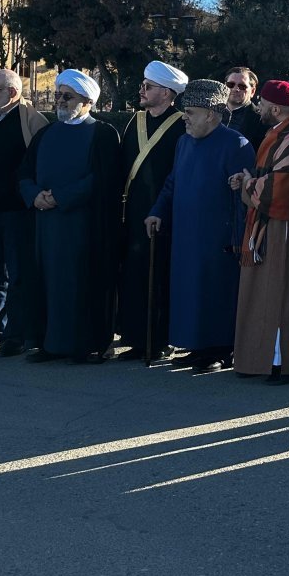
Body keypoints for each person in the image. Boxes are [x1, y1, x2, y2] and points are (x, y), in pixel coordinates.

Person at [146, 79, 252, 373]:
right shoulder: (183, 142)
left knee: (215, 291)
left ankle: (220, 350)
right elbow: (172, 183)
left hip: (218, 235)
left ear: (211, 113)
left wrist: (237, 235)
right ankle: (197, 346)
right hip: (186, 232)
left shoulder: (236, 144)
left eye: (190, 112)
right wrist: (157, 211)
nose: (185, 118)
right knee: (190, 290)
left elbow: (245, 194)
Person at [18, 70, 122, 364]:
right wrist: (34, 194)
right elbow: (24, 171)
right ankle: (49, 344)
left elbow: (101, 179)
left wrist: (60, 197)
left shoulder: (102, 134)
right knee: (47, 283)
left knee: (79, 283)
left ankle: (86, 346)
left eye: (68, 97)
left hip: (83, 226)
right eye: (58, 96)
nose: (60, 101)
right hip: (45, 225)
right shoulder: (46, 132)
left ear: (87, 101)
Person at [233, 80, 289, 379]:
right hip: (267, 226)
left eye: (263, 103)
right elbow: (265, 178)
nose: (258, 107)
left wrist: (247, 184)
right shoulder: (277, 133)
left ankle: (280, 362)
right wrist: (248, 180)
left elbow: (278, 191)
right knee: (264, 295)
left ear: (276, 108)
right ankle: (259, 360)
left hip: (283, 228)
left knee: (281, 296)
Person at [0, 69, 50, 357]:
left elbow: (31, 165)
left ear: (13, 93)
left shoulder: (31, 121)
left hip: (17, 212)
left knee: (18, 274)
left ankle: (17, 334)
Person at [116, 60, 188, 362]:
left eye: (149, 87)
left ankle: (159, 339)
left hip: (165, 212)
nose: (141, 91)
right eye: (143, 85)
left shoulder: (182, 122)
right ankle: (135, 337)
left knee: (160, 276)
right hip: (133, 212)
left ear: (167, 93)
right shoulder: (136, 121)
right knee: (133, 274)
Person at [224, 67, 267, 150]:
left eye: (242, 86)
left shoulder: (260, 120)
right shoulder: (212, 113)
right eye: (230, 84)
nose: (235, 89)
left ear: (253, 91)